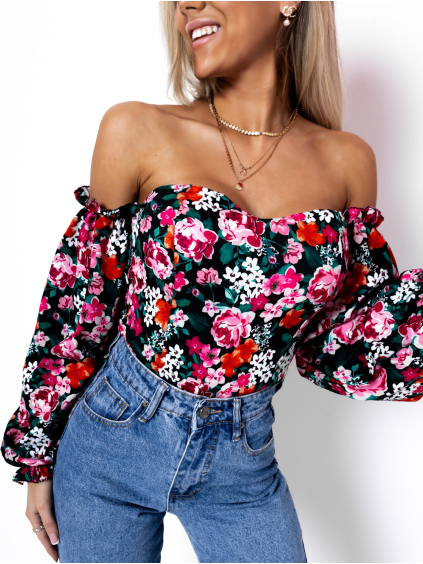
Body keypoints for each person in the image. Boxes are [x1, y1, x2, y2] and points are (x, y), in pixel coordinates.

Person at [2, 1, 423, 562]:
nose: (187, 6)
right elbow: (81, 302)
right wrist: (37, 455)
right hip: (109, 443)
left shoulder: (347, 163)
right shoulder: (136, 129)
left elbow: (341, 341)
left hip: (241, 461)